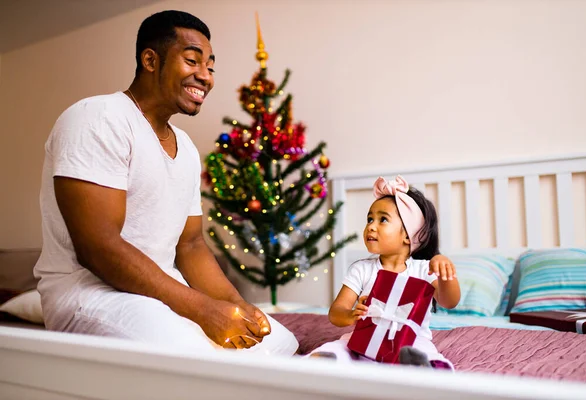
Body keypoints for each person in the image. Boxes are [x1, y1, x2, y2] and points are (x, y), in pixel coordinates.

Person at [33, 10, 298, 356]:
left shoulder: (185, 147)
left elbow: (190, 246)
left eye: (211, 67)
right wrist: (203, 310)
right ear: (150, 60)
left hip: (163, 294)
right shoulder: (98, 118)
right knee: (197, 359)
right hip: (90, 294)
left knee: (280, 344)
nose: (205, 77)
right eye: (192, 61)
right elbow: (99, 248)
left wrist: (237, 306)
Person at [309, 175, 460, 368]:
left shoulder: (424, 269)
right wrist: (351, 314)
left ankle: (428, 369)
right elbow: (336, 312)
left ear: (408, 235)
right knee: (341, 345)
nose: (371, 226)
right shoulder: (362, 269)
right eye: (370, 219)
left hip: (411, 339)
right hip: (365, 336)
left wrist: (445, 273)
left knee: (422, 349)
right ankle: (324, 363)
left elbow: (449, 301)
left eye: (383, 220)